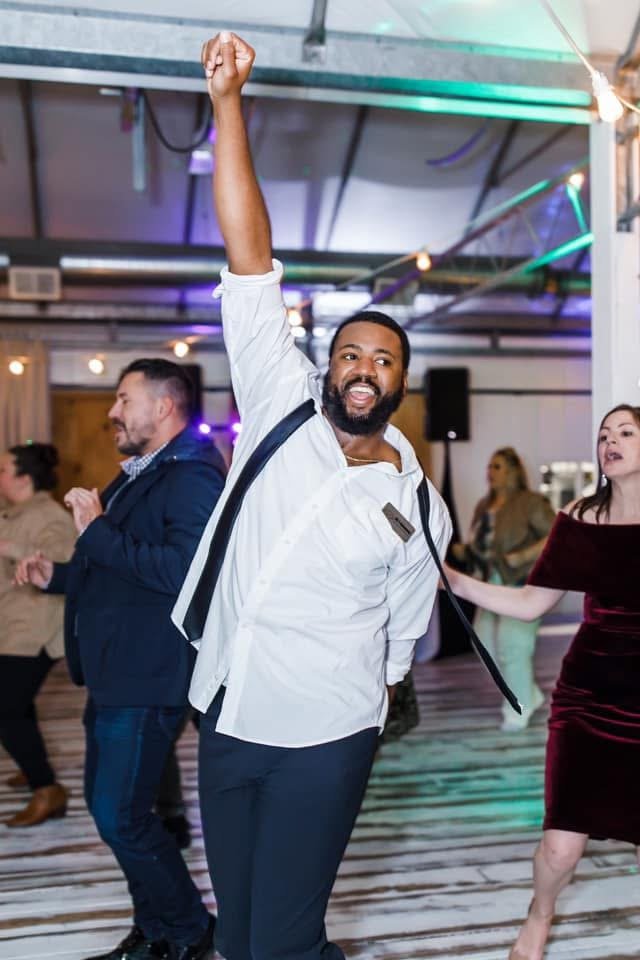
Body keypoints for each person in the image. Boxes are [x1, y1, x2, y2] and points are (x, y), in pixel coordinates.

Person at [170, 32, 451, 960]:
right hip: (226, 711)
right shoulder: (278, 400)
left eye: (385, 360)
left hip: (324, 737)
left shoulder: (414, 500)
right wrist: (227, 106)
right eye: (351, 353)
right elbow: (251, 254)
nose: (365, 370)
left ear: (401, 384)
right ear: (325, 364)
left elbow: (404, 632)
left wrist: (373, 700)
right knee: (239, 935)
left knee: (284, 942)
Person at [16, 359, 226, 960]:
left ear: (163, 407)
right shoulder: (138, 474)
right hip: (116, 671)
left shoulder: (191, 476)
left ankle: (188, 930)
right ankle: (156, 931)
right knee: (114, 812)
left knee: (120, 815)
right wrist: (56, 575)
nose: (112, 412)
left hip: (149, 672)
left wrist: (98, 530)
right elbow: (110, 563)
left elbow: (185, 574)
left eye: (122, 399)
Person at [444, 403, 640, 960]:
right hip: (590, 697)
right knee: (560, 847)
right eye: (605, 434)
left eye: (626, 432)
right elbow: (530, 603)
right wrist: (455, 580)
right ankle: (539, 915)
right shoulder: (580, 517)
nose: (611, 441)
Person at [452, 447, 555, 730]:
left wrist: (522, 556)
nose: (490, 472)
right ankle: (529, 694)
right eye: (489, 466)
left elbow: (556, 535)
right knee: (483, 643)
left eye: (496, 466)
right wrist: (463, 551)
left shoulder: (530, 502)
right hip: (488, 583)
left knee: (514, 647)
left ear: (512, 471)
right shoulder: (485, 505)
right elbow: (481, 543)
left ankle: (518, 708)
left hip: (520, 584)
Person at [0, 442, 75, 826]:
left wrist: (8, 545)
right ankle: (33, 767)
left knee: (6, 709)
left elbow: (61, 562)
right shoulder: (15, 511)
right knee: (15, 706)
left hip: (36, 632)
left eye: (3, 472)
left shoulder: (49, 515)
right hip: (13, 627)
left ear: (25, 479)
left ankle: (48, 789)